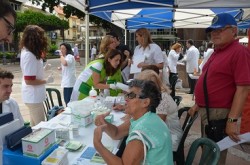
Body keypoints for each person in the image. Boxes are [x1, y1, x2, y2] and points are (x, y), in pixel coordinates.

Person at [188, 13, 250, 164]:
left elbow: (243, 88)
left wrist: (232, 120)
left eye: (220, 30)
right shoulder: (218, 51)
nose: (215, 33)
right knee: (208, 152)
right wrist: (198, 104)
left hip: (220, 114)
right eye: (212, 31)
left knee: (214, 156)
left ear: (234, 30)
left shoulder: (239, 52)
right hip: (209, 111)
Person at [94, 79, 173, 164]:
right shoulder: (148, 118)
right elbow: (117, 133)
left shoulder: (142, 131)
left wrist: (98, 144)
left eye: (131, 95)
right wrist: (104, 122)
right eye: (127, 95)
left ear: (145, 102)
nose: (126, 99)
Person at [137, 70, 183, 151]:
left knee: (137, 146)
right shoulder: (154, 95)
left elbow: (157, 125)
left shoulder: (162, 98)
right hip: (163, 133)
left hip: (170, 136)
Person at [20, 25, 54, 126]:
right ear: (35, 38)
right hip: (33, 97)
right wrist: (46, 81)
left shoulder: (30, 52)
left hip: (33, 96)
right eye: (41, 36)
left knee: (34, 126)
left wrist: (43, 68)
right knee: (41, 127)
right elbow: (29, 80)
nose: (43, 39)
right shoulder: (29, 55)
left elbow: (31, 73)